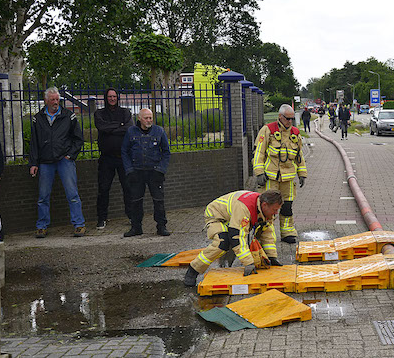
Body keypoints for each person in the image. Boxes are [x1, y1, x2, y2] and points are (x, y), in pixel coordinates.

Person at [183, 189, 284, 287]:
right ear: (264, 205)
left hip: (232, 216)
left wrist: (272, 257)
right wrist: (248, 262)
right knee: (222, 243)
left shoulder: (266, 210)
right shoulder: (244, 208)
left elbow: (268, 234)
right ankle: (193, 270)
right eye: (274, 210)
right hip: (216, 216)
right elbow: (238, 237)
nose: (276, 213)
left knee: (247, 235)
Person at [29, 87, 86, 238]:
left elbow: (78, 139)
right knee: (43, 197)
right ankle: (41, 226)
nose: (55, 102)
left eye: (57, 99)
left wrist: (70, 155)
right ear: (46, 100)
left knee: (72, 194)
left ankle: (79, 224)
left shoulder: (69, 116)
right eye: (52, 99)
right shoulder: (38, 118)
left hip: (64, 160)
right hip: (45, 161)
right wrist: (33, 163)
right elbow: (34, 142)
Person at [253, 104, 307, 243]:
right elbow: (259, 152)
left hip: (288, 178)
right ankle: (265, 235)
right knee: (268, 207)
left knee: (287, 207)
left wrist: (302, 174)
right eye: (287, 118)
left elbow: (299, 156)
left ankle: (287, 233)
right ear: (280, 117)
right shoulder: (268, 130)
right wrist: (259, 172)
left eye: (292, 119)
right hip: (271, 177)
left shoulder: (295, 133)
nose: (290, 121)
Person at [121, 108, 171, 237]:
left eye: (150, 118)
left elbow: (166, 152)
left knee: (158, 200)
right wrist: (129, 170)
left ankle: (161, 226)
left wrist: (161, 170)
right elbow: (124, 151)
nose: (149, 120)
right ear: (139, 118)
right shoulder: (131, 132)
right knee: (136, 201)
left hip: (154, 172)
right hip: (137, 172)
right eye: (146, 118)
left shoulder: (159, 131)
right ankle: (136, 227)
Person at [94, 88, 134, 229]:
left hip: (123, 157)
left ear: (118, 98)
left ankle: (131, 216)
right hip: (106, 159)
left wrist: (111, 129)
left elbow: (129, 128)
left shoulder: (125, 112)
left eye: (114, 96)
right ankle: (102, 218)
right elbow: (102, 127)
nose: (112, 99)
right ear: (106, 98)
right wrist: (119, 125)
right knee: (103, 189)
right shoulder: (99, 113)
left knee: (128, 188)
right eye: (110, 96)